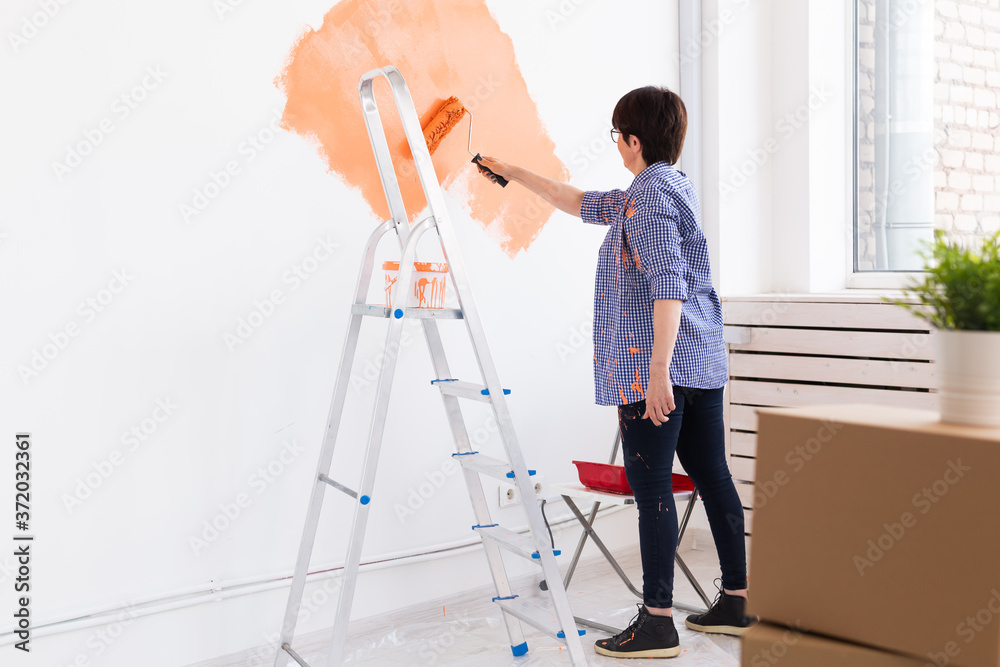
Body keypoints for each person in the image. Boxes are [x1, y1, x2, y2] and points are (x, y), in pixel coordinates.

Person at [476, 86, 753, 659]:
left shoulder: (646, 202)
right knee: (712, 473)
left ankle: (657, 623)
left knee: (651, 487)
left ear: (633, 140)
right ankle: (735, 602)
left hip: (662, 367)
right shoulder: (662, 189)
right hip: (702, 360)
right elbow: (578, 201)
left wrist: (656, 376)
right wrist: (512, 172)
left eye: (617, 136)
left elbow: (667, 289)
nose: (616, 146)